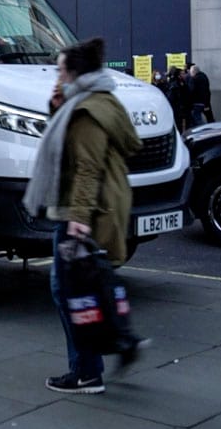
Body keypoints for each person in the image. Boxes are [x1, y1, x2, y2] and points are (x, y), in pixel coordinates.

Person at [23, 37, 145, 395]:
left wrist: (77, 219)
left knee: (68, 291)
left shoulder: (87, 113)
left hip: (83, 211)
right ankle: (122, 342)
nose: (56, 76)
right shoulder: (99, 101)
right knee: (89, 287)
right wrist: (57, 106)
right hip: (99, 205)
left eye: (60, 70)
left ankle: (87, 370)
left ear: (76, 73)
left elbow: (87, 169)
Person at [165, 67, 190, 132]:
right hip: (177, 107)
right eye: (182, 74)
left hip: (181, 107)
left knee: (181, 124)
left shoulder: (182, 83)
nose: (184, 75)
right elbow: (172, 97)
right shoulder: (175, 84)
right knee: (178, 124)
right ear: (178, 75)